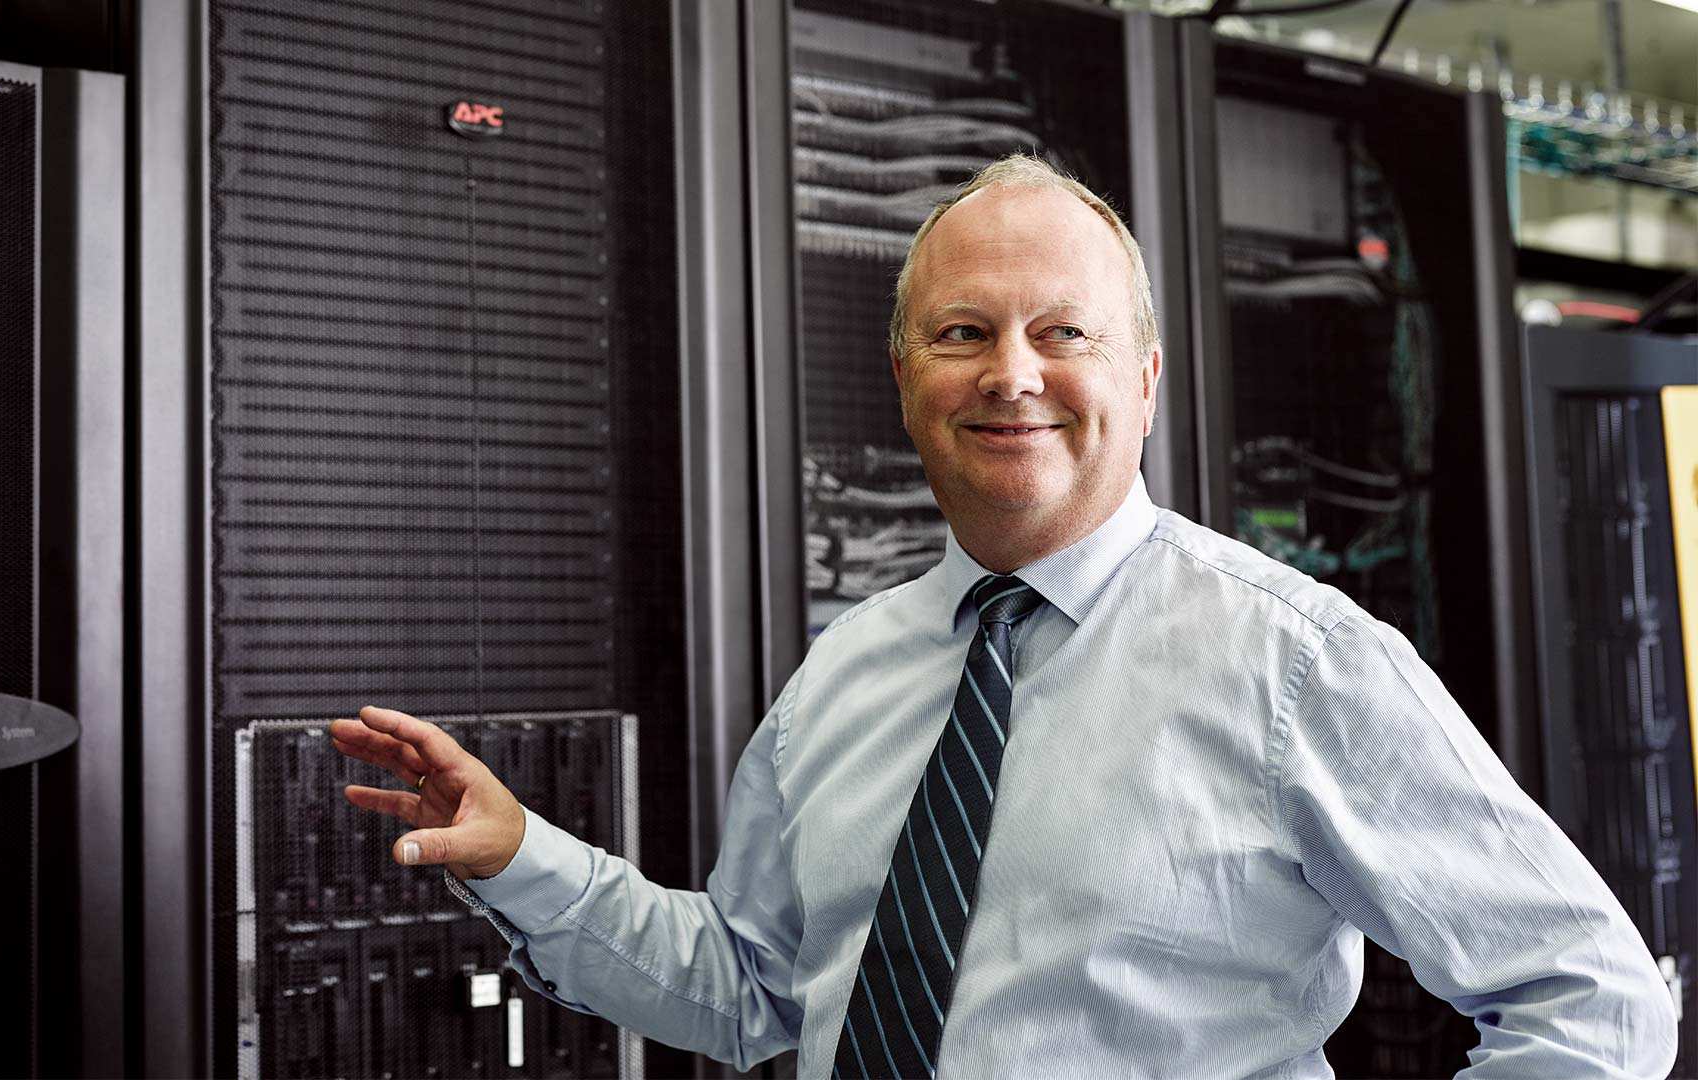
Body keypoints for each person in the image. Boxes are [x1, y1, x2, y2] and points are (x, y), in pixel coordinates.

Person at [330, 154, 1677, 1078]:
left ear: (1144, 381)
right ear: (906, 375)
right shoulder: (851, 671)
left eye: (1063, 334)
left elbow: (1587, 993)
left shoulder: (1294, 662)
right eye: (962, 333)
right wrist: (521, 856)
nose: (1011, 374)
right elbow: (748, 992)